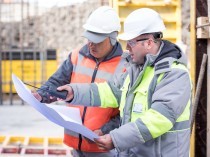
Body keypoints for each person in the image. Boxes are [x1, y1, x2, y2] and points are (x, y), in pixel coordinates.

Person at [58, 8, 192, 157]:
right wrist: (73, 92)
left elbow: (159, 119)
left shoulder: (174, 74)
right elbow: (110, 91)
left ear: (148, 42)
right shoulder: (136, 70)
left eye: (131, 42)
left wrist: (116, 139)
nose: (126, 48)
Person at [32, 6, 128, 157]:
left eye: (97, 41)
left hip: (104, 147)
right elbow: (57, 82)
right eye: (89, 39)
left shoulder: (125, 67)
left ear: (112, 38)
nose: (91, 44)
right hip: (75, 146)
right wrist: (41, 95)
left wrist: (106, 130)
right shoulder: (76, 56)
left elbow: (127, 112)